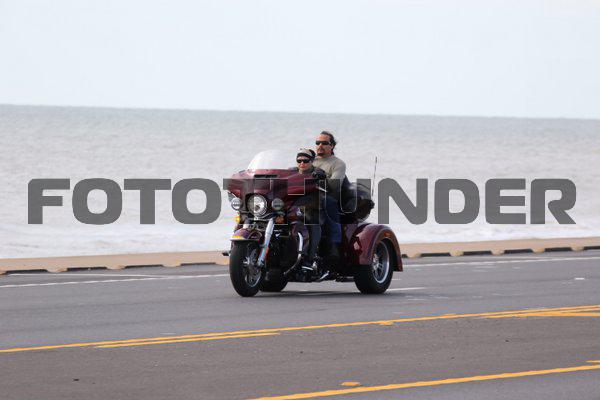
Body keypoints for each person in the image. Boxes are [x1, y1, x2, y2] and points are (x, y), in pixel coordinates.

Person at [312, 131, 346, 260]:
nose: (320, 145)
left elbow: (335, 185)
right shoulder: (309, 160)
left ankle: (334, 245)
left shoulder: (338, 163)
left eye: (324, 143)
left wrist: (322, 178)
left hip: (328, 195)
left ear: (332, 146)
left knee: (327, 202)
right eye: (318, 143)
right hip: (309, 195)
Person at [293, 148, 326, 271]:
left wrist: (319, 177)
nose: (302, 163)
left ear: (312, 161)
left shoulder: (317, 172)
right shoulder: (291, 172)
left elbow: (322, 179)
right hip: (292, 207)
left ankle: (309, 258)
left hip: (312, 208)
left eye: (305, 160)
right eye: (299, 160)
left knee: (313, 222)